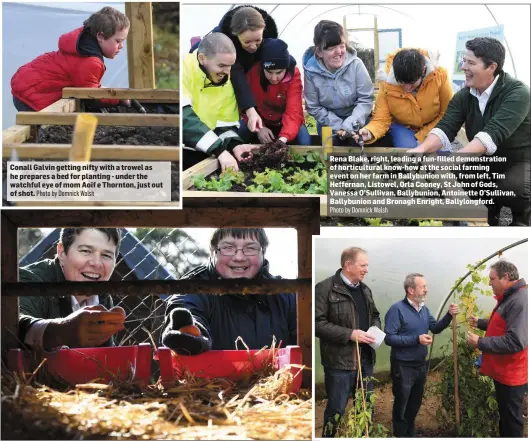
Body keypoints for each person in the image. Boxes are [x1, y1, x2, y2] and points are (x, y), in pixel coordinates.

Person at [407, 37, 531, 226]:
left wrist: (449, 161)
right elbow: (445, 127)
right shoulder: (465, 95)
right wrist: (422, 149)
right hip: (487, 161)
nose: (464, 66)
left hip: (520, 160)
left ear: (491, 67)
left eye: (471, 62)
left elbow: (490, 135)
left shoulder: (517, 93)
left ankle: (522, 218)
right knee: (463, 176)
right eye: (464, 60)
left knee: (514, 188)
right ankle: (489, 212)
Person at [161, 228, 296, 355]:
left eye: (250, 248)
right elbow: (185, 308)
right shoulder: (193, 287)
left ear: (263, 252)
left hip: (279, 378)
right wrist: (191, 333)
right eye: (228, 248)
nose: (239, 257)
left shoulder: (285, 294)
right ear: (212, 250)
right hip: (209, 378)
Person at [18, 228, 125, 351]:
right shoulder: (31, 280)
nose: (96, 263)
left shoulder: (102, 296)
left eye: (106, 255)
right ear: (62, 252)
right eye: (85, 251)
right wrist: (62, 331)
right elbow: (13, 323)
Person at [315, 247, 381, 437]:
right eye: (363, 265)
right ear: (347, 265)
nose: (367, 269)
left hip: (366, 359)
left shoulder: (365, 290)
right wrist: (350, 334)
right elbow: (316, 324)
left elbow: (375, 315)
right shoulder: (325, 288)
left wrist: (374, 330)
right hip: (340, 363)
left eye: (367, 265)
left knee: (366, 407)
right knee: (336, 410)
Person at [11, 7, 130, 112]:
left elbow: (86, 83)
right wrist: (117, 99)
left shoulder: (83, 47)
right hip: (31, 93)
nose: (122, 46)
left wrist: (103, 89)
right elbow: (90, 96)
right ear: (100, 36)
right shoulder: (90, 61)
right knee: (43, 131)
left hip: (26, 83)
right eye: (118, 41)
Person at [384, 273, 459, 437]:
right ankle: (400, 434)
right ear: (411, 290)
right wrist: (416, 339)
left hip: (420, 364)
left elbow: (435, 328)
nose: (426, 290)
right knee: (402, 403)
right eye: (423, 287)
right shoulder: (397, 310)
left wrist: (448, 315)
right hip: (403, 365)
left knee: (415, 402)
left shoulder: (424, 309)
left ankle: (410, 431)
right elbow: (389, 338)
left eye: (426, 286)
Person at [191, 5, 279, 133]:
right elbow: (237, 76)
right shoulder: (224, 46)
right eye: (247, 42)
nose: (253, 46)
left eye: (258, 40)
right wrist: (250, 110)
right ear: (235, 35)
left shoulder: (269, 42)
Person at [467, 260, 527, 438]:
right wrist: (480, 322)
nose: (489, 283)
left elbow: (516, 341)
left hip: (512, 375)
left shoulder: (520, 301)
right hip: (505, 372)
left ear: (506, 277)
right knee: (506, 417)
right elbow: (503, 325)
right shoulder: (511, 297)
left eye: (492, 279)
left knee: (511, 421)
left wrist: (480, 342)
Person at [182, 33, 259, 171]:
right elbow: (184, 118)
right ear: (202, 59)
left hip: (205, 148)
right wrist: (219, 150)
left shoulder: (227, 81)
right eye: (222, 65)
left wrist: (234, 145)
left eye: (230, 66)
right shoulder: (183, 69)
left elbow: (225, 123)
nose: (227, 71)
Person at [357, 48, 454, 148]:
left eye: (412, 83)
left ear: (423, 70)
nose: (407, 88)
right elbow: (381, 118)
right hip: (403, 126)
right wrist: (370, 132)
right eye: (402, 84)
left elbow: (447, 114)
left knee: (438, 151)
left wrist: (423, 137)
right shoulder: (387, 83)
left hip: (434, 125)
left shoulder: (440, 76)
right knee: (408, 148)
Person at [303, 20, 373, 146]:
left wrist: (351, 123)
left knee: (359, 143)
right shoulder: (311, 71)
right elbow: (314, 107)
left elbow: (365, 99)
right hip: (328, 121)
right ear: (319, 51)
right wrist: (338, 125)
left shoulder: (356, 65)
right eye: (331, 48)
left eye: (342, 45)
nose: (339, 52)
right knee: (330, 148)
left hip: (357, 118)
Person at [239, 38, 311, 145]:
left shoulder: (294, 75)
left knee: (305, 143)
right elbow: (246, 106)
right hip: (261, 121)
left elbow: (294, 112)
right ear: (262, 67)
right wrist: (260, 128)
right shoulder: (253, 73)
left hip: (285, 123)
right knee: (239, 135)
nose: (274, 78)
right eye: (269, 72)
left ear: (286, 68)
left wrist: (283, 139)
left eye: (279, 72)